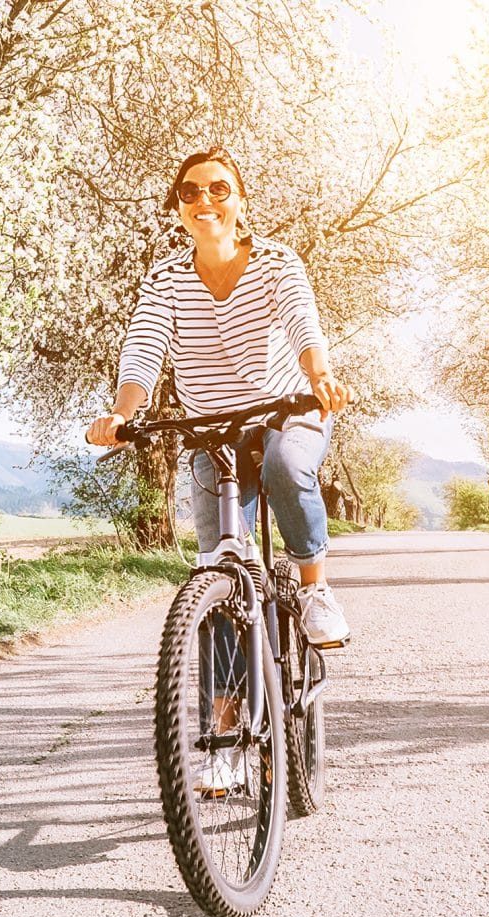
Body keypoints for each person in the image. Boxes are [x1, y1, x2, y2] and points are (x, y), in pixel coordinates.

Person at [86, 146, 352, 650]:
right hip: (212, 428)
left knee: (287, 465)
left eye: (218, 189)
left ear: (241, 201)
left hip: (288, 409)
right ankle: (226, 695)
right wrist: (121, 413)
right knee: (218, 562)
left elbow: (301, 320)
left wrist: (320, 376)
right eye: (189, 192)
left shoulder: (276, 261)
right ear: (178, 207)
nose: (203, 200)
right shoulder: (165, 279)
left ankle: (314, 589)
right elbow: (144, 346)